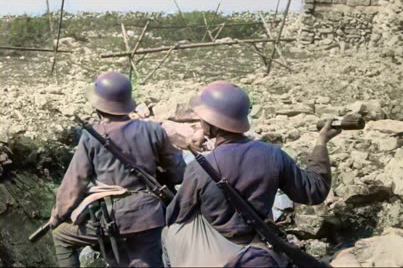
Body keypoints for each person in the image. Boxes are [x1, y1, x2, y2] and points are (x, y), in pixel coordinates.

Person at [163, 81, 341, 267]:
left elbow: (177, 216)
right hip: (261, 254)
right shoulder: (273, 154)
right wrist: (321, 142)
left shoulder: (200, 168)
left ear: (211, 122)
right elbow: (314, 192)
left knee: (167, 235)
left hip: (218, 257)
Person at [49, 72, 186, 267]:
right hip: (150, 215)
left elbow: (74, 183)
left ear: (97, 106)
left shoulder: (91, 137)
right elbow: (178, 172)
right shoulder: (154, 131)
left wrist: (58, 215)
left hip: (111, 217)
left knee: (61, 237)